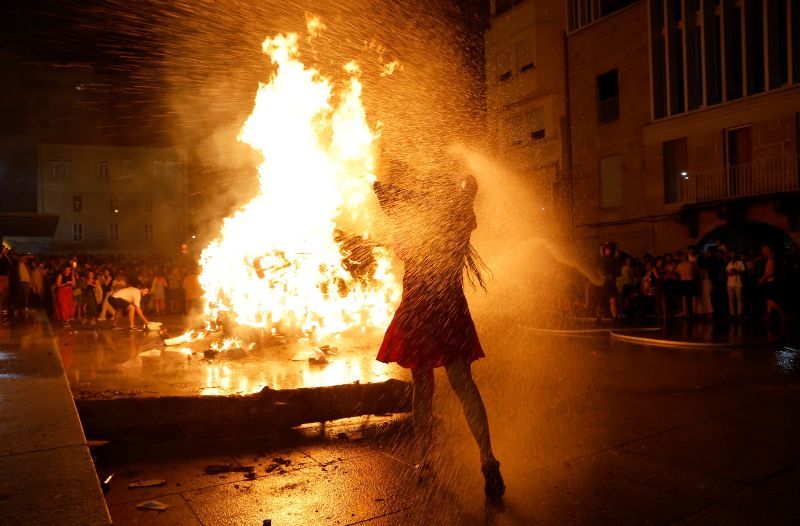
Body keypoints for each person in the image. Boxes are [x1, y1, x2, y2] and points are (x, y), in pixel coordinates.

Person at [372, 167, 504, 498]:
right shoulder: (458, 219)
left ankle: (425, 459)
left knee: (423, 387)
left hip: (418, 311)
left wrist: (391, 189)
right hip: (449, 308)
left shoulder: (412, 222)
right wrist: (457, 186)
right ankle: (487, 456)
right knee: (464, 384)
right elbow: (470, 185)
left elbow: (383, 193)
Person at [758, 245, 783, 322]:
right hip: (770, 282)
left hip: (770, 282)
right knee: (770, 300)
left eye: (763, 250)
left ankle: (782, 313)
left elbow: (771, 272)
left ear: (767, 250)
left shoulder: (770, 258)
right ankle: (767, 317)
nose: (762, 252)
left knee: (768, 300)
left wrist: (762, 279)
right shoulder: (770, 258)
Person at [725, 250, 745, 319]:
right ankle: (732, 314)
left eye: (734, 254)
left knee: (739, 299)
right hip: (730, 283)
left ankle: (739, 314)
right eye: (731, 254)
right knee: (731, 300)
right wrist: (729, 273)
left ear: (736, 255)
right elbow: (726, 273)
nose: (733, 255)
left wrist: (737, 271)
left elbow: (743, 272)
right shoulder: (729, 264)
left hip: (738, 283)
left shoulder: (740, 263)